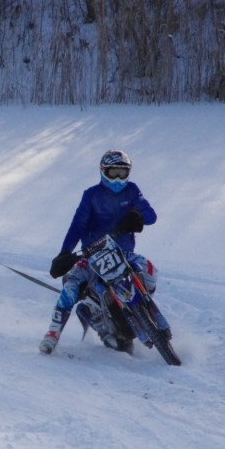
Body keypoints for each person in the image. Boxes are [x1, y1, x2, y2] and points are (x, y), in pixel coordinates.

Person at [39, 149, 158, 354]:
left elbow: (151, 216)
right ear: (103, 171)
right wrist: (64, 253)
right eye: (114, 173)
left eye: (123, 173)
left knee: (151, 271)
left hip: (123, 254)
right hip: (93, 256)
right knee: (71, 287)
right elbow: (77, 226)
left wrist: (137, 216)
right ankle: (53, 333)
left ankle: (144, 312)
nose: (118, 179)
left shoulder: (132, 190)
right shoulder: (91, 195)